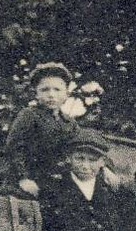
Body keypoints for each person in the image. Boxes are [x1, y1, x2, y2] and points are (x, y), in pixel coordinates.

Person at [5, 62, 80, 198]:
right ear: (36, 94)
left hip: (60, 181)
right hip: (31, 181)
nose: (51, 95)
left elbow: (82, 146)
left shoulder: (69, 122)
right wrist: (23, 178)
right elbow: (14, 147)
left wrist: (104, 167)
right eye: (45, 90)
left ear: (66, 94)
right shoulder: (29, 115)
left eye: (57, 90)